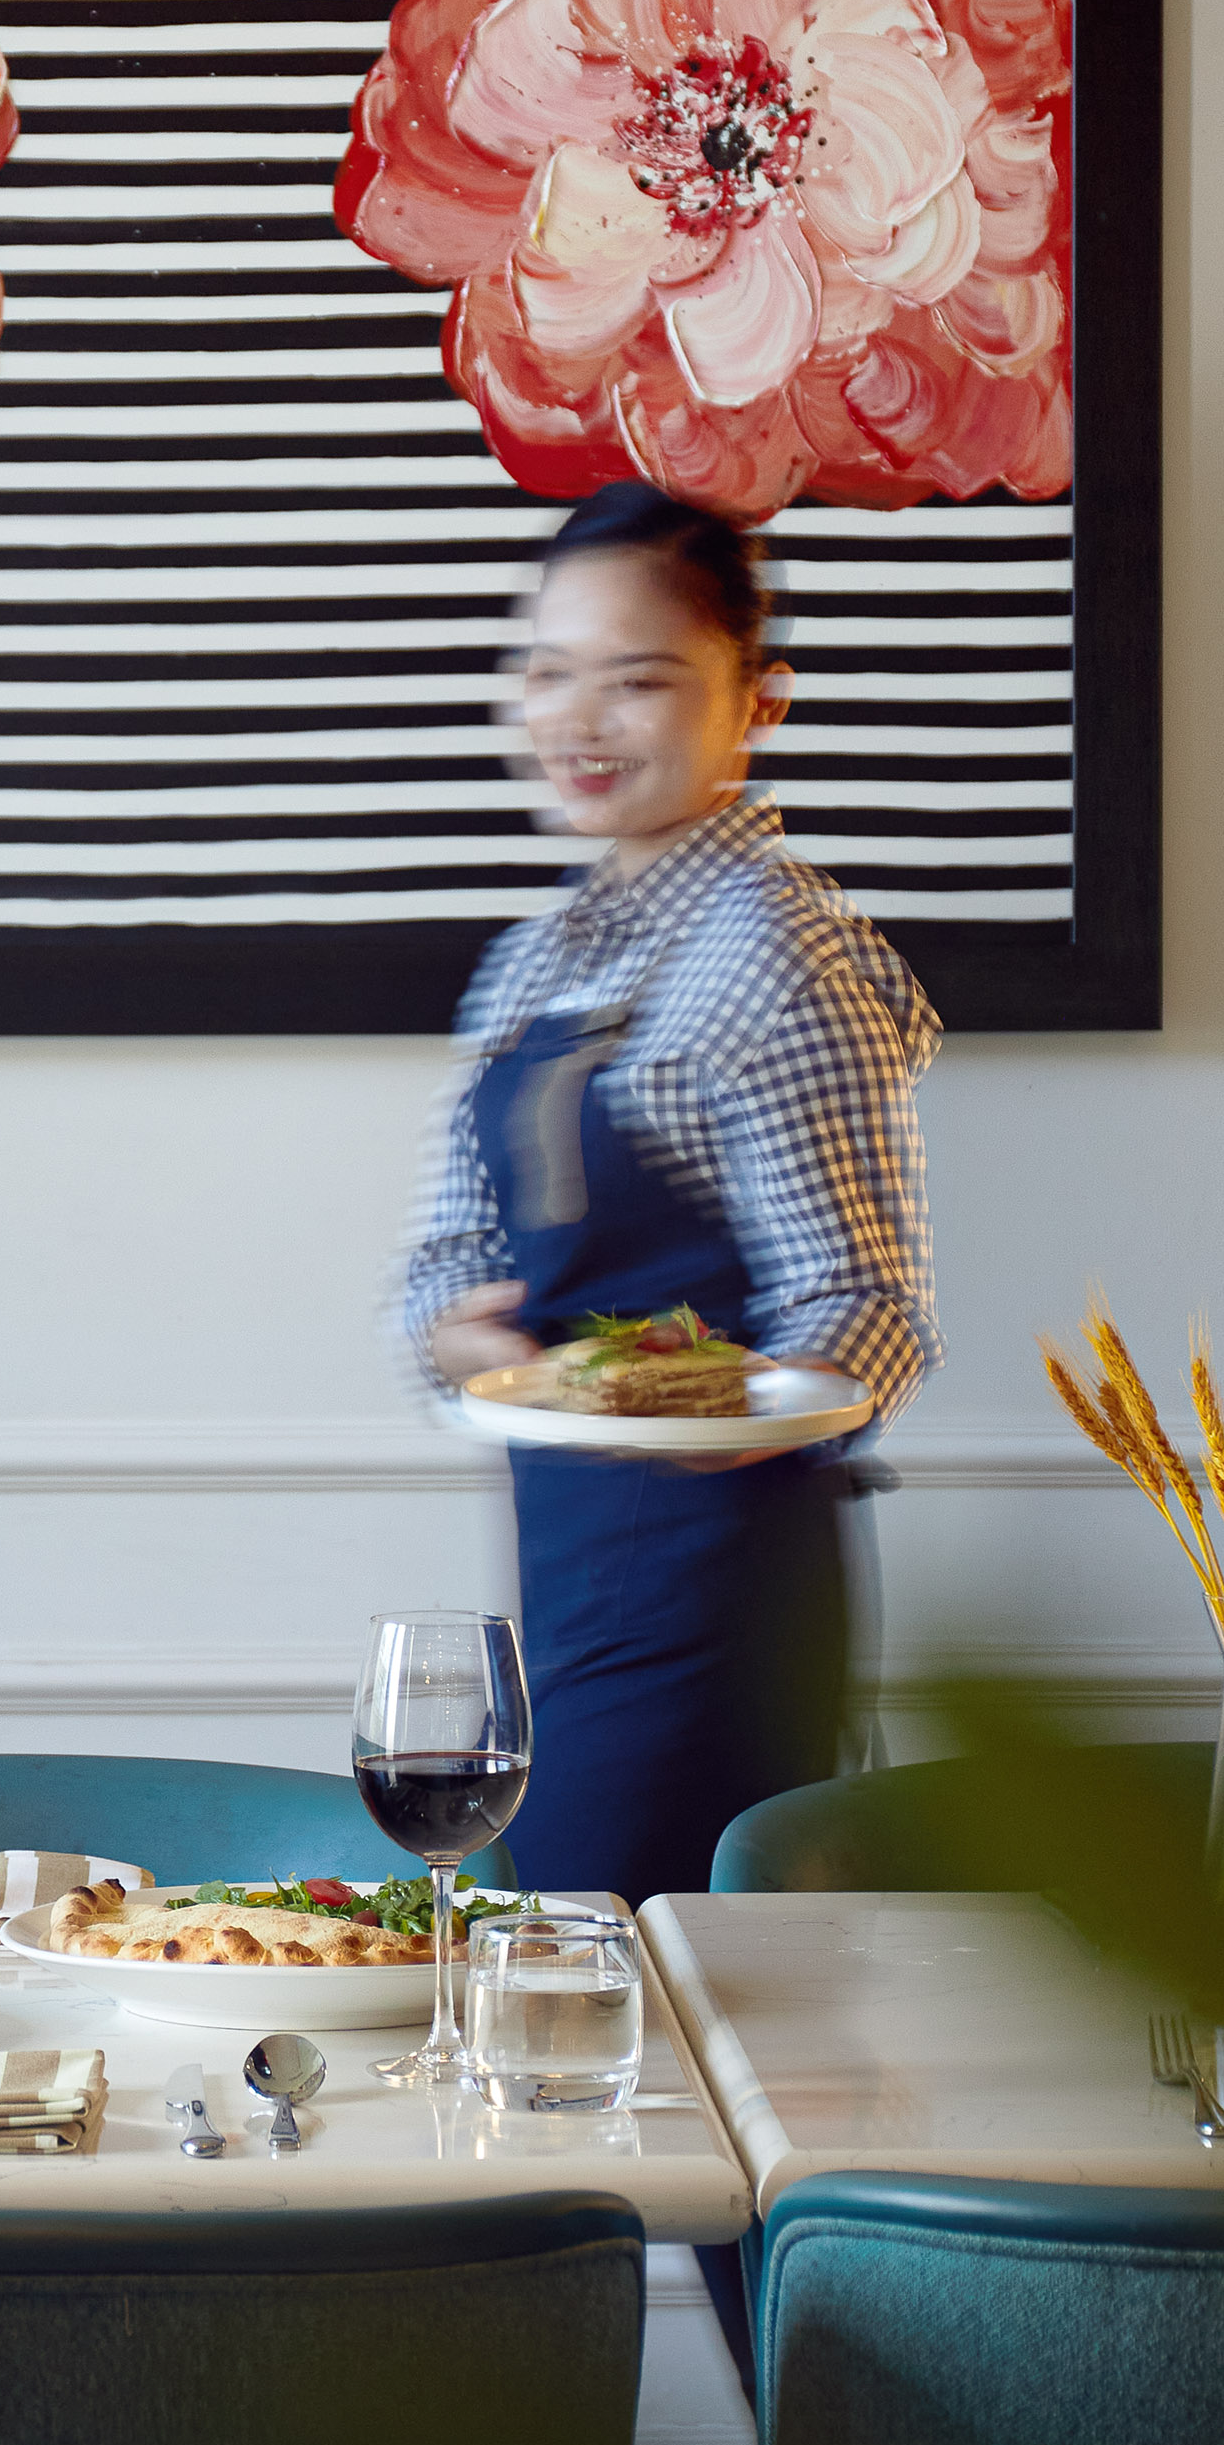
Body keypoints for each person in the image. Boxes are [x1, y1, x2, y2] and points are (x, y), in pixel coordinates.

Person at [392, 481, 940, 1918]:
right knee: (565, 1956)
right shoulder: (530, 963)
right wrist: (462, 1340)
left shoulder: (784, 954)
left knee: (655, 1973)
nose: (581, 719)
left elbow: (866, 1307)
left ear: (758, 699)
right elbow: (446, 1251)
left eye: (639, 681)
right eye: (551, 671)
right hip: (566, 1568)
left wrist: (723, 1407)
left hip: (722, 1587)